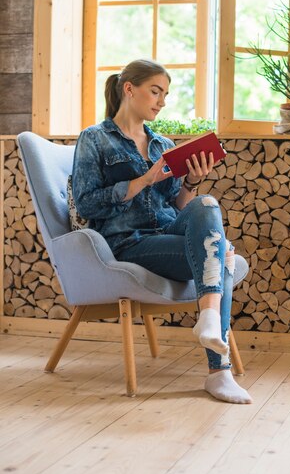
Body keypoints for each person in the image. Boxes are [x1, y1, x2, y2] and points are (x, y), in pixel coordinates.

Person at [72, 58, 252, 404]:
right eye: (155, 91)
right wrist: (144, 180)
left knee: (207, 203)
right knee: (222, 260)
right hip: (129, 243)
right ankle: (220, 372)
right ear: (129, 89)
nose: (161, 101)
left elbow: (182, 206)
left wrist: (192, 181)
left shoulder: (163, 145)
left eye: (165, 94)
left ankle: (209, 318)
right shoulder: (94, 139)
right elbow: (87, 205)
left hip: (168, 232)